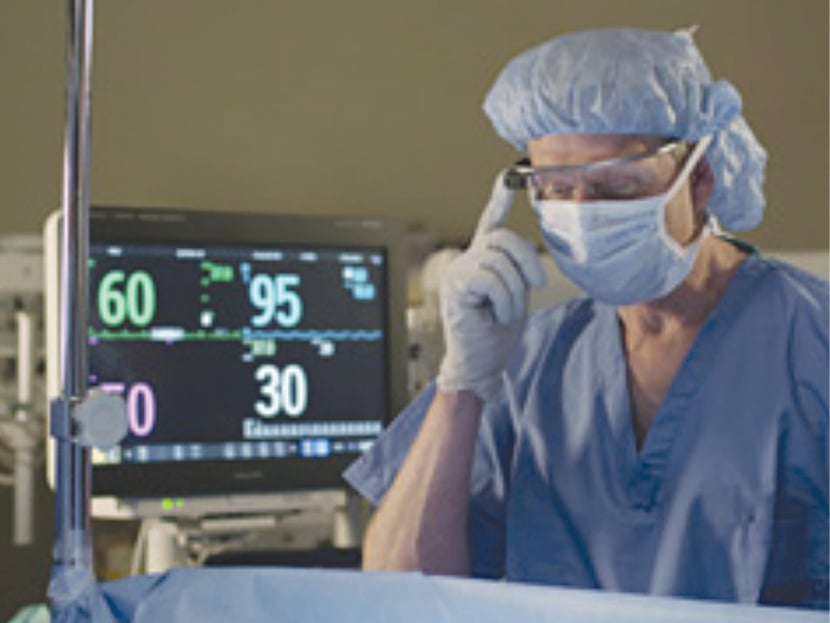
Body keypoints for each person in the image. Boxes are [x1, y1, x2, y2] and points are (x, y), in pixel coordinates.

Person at [344, 27, 829, 609]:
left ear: (700, 180)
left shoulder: (812, 340)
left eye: (616, 187)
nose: (583, 215)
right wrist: (462, 385)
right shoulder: (528, 360)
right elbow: (398, 592)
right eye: (555, 189)